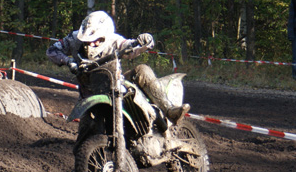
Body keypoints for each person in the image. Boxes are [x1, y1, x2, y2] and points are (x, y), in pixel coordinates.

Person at [46, 10, 190, 123]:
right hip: (88, 93)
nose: (91, 43)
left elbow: (129, 46)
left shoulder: (113, 40)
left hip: (114, 85)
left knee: (142, 70)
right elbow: (52, 50)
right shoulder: (74, 38)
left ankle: (169, 110)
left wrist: (144, 42)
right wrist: (68, 61)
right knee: (84, 132)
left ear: (104, 35)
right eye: (87, 40)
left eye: (96, 40)